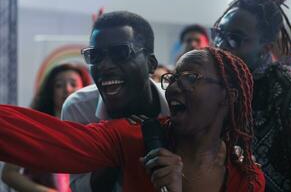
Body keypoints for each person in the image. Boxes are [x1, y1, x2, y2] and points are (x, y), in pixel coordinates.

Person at [0, 47, 265, 192]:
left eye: (190, 78)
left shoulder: (248, 179)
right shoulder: (136, 138)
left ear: (228, 96)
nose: (172, 87)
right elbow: (52, 141)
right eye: (172, 77)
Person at [61, 11, 169, 192]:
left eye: (120, 53)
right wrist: (120, 145)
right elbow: (81, 188)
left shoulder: (177, 105)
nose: (104, 65)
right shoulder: (79, 108)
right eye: (95, 56)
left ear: (150, 64)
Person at [212, 0, 291, 191]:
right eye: (218, 33)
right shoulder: (212, 83)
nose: (220, 45)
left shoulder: (289, 92)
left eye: (235, 39)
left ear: (265, 48)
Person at [1, 63, 92, 192]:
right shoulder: (36, 126)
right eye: (59, 85)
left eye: (73, 84)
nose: (67, 89)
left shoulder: (91, 128)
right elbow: (9, 174)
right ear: (51, 91)